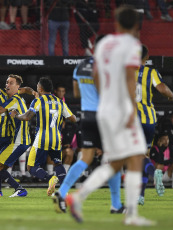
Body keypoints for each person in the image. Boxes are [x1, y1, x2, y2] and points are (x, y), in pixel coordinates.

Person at [66, 6, 155, 226]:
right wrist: (131, 110)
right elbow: (129, 79)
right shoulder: (132, 46)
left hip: (104, 108)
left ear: (116, 23)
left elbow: (96, 74)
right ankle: (131, 215)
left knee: (117, 162)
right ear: (136, 25)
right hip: (121, 109)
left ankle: (78, 197)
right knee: (135, 157)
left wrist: (105, 98)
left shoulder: (104, 44)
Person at [53, 44, 125, 214]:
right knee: (114, 161)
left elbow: (76, 93)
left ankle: (62, 192)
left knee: (85, 158)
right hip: (104, 116)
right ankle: (116, 204)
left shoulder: (80, 66)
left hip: (86, 116)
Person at [11, 77, 77, 196]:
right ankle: (64, 191)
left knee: (31, 167)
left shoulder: (38, 101)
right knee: (58, 163)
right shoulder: (60, 102)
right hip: (56, 138)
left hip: (42, 138)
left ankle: (49, 178)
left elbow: (27, 117)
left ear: (40, 89)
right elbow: (73, 119)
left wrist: (16, 115)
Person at [136, 44, 173, 205]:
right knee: (143, 156)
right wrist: (171, 96)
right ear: (147, 57)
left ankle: (153, 174)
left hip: (133, 120)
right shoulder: (151, 72)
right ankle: (141, 195)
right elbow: (162, 88)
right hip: (149, 119)